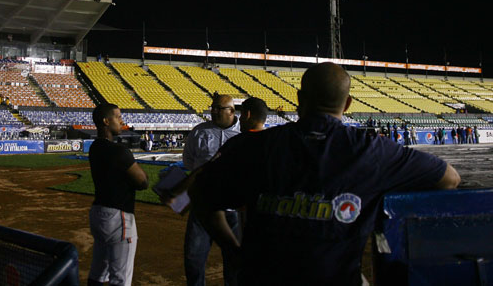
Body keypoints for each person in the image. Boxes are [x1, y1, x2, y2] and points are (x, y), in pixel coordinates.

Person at [189, 62, 460, 285]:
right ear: (348, 103)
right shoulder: (372, 150)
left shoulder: (255, 145)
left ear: (299, 99)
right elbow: (450, 179)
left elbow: (199, 194)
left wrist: (234, 251)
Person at [88, 103, 149, 286]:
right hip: (118, 216)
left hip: (98, 213)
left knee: (98, 273)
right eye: (118, 116)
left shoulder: (95, 147)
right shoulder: (119, 151)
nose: (122, 121)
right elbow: (143, 182)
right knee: (120, 278)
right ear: (106, 121)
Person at [182, 94, 240, 286]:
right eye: (212, 107)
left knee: (235, 263)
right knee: (193, 259)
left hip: (235, 209)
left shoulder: (243, 134)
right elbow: (189, 161)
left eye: (218, 108)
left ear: (232, 111)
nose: (213, 111)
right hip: (203, 208)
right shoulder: (199, 132)